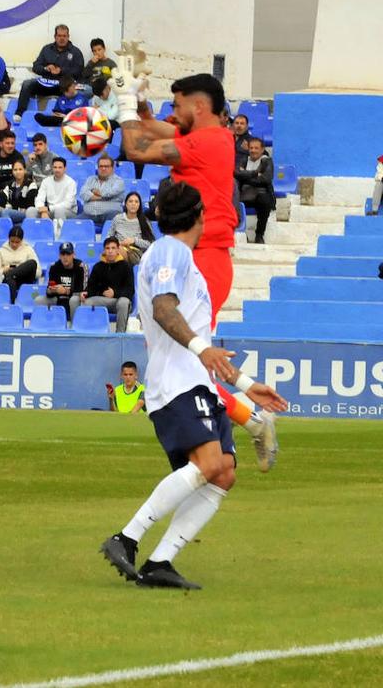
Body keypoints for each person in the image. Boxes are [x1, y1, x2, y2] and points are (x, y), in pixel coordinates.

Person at [100, 181, 288, 589]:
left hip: (197, 382)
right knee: (208, 465)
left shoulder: (180, 256)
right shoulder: (168, 251)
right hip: (178, 382)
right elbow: (164, 310)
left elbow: (194, 333)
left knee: (223, 474)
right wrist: (204, 351)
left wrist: (245, 382)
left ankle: (160, 561)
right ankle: (127, 538)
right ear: (200, 215)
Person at [117, 69, 278, 470]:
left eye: (178, 104)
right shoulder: (207, 136)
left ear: (199, 105)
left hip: (203, 257)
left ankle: (250, 420)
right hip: (195, 254)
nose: (171, 111)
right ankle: (246, 422)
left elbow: (137, 146)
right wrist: (137, 100)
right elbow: (152, 127)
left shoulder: (207, 142)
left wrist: (121, 108)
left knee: (185, 359)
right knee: (177, 355)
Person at [13, 26, 85, 124]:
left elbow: (79, 71)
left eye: (64, 36)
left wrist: (61, 71)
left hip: (64, 85)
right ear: (55, 36)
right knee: (27, 84)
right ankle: (19, 114)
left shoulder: (75, 52)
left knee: (83, 91)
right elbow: (36, 67)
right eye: (59, 36)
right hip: (46, 83)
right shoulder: (47, 49)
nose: (62, 38)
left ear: (68, 37)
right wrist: (46, 68)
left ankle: (69, 119)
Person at [72, 236, 133, 331]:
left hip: (119, 301)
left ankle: (120, 335)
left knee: (124, 302)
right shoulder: (98, 266)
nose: (110, 251)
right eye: (107, 248)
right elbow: (91, 286)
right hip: (102, 300)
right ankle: (91, 332)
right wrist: (87, 293)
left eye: (113, 248)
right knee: (87, 302)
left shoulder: (126, 266)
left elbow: (130, 290)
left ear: (118, 250)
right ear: (104, 250)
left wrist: (114, 293)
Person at [235, 137, 274, 244]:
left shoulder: (267, 161)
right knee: (234, 200)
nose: (253, 150)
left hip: (261, 193)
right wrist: (256, 174)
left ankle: (259, 235)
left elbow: (266, 179)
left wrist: (246, 176)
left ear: (262, 150)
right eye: (251, 148)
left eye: (256, 148)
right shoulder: (244, 160)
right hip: (245, 193)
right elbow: (236, 174)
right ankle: (242, 234)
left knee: (264, 202)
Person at [0, 225, 39, 303]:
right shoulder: (1, 251)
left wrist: (20, 269)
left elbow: (38, 271)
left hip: (24, 279)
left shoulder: (28, 249)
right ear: (9, 239)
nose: (14, 244)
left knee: (32, 263)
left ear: (22, 240)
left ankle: (9, 274)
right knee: (10, 279)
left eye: (17, 242)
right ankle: (12, 304)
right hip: (8, 279)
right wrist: (4, 270)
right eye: (12, 241)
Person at [106, 191, 155, 264]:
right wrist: (116, 243)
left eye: (136, 202)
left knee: (115, 252)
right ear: (126, 204)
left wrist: (134, 241)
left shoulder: (144, 221)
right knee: (112, 251)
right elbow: (109, 237)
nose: (133, 204)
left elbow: (151, 244)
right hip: (118, 248)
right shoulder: (117, 218)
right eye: (130, 201)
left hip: (134, 252)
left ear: (139, 205)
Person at [38, 242, 84, 317]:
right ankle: (44, 326)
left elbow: (82, 291)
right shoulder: (54, 267)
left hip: (74, 298)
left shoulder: (81, 267)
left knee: (74, 300)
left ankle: (74, 325)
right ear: (59, 256)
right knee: (39, 300)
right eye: (63, 254)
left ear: (73, 255)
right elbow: (49, 291)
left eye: (68, 254)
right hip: (58, 297)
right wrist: (51, 291)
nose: (65, 257)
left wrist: (66, 291)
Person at [79, 155, 125, 226]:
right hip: (89, 214)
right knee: (72, 223)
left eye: (106, 166)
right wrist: (103, 198)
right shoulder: (90, 179)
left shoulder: (118, 181)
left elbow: (109, 193)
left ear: (112, 168)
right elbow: (83, 193)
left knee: (116, 220)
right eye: (101, 166)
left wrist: (93, 193)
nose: (103, 168)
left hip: (110, 214)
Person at [29, 156, 77, 223]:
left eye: (60, 167)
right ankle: (35, 232)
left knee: (59, 210)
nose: (57, 170)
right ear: (52, 168)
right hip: (49, 211)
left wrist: (48, 208)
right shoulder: (46, 181)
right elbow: (39, 198)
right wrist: (42, 210)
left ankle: (59, 233)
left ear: (65, 168)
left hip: (68, 211)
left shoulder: (71, 182)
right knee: (30, 210)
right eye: (55, 167)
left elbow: (68, 204)